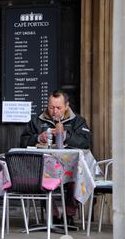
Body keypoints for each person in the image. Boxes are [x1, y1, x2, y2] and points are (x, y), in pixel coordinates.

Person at [20, 90, 92, 226]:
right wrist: (37, 137)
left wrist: (66, 136)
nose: (54, 111)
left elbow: (86, 142)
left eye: (58, 108)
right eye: (51, 107)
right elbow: (22, 141)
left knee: (76, 176)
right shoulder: (37, 121)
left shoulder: (77, 121)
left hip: (69, 167)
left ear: (66, 106)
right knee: (40, 175)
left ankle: (69, 215)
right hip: (44, 166)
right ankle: (52, 215)